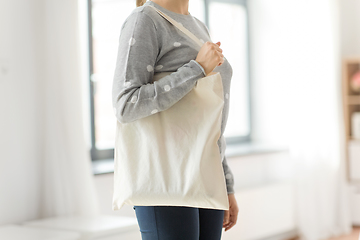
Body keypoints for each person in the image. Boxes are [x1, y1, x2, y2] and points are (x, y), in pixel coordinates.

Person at [112, 0, 239, 239]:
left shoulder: (197, 25)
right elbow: (126, 104)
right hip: (165, 175)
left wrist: (225, 182)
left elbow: (207, 119)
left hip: (204, 174)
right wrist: (197, 68)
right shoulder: (144, 20)